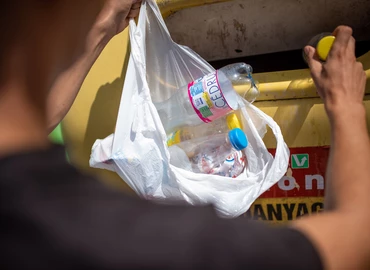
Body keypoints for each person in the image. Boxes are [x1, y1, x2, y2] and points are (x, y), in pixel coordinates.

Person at [0, 1, 369, 269]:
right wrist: (346, 105)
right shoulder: (164, 245)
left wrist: (100, 29)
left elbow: (38, 113)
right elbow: (356, 235)